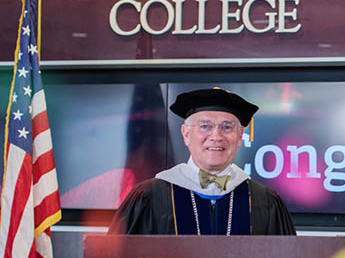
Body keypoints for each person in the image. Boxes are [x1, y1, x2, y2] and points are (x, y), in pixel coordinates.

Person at [109, 88, 296, 235]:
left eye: (227, 127)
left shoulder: (265, 200)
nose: (216, 136)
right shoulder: (149, 196)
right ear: (186, 134)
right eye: (205, 126)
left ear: (239, 137)